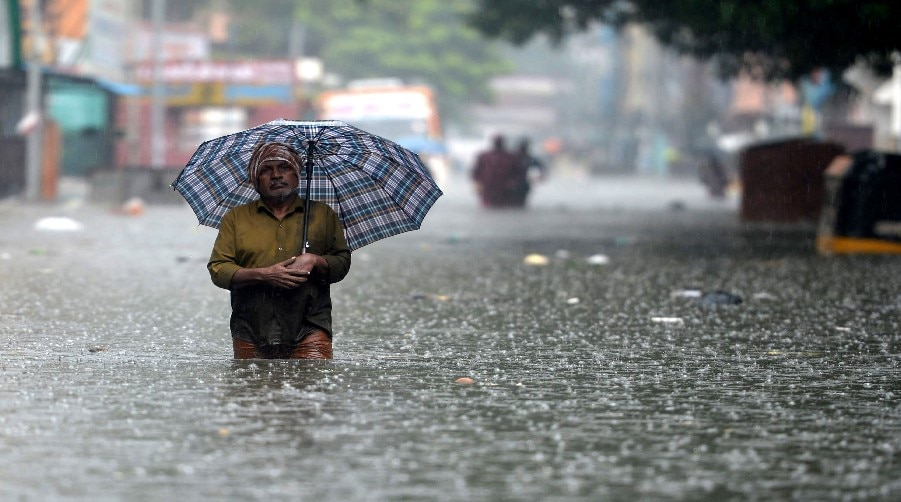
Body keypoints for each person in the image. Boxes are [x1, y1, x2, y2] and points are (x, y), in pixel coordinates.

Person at [207, 142, 352, 359]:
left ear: (297, 174)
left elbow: (341, 263)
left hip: (310, 325)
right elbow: (218, 269)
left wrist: (314, 260)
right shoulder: (236, 218)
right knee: (252, 390)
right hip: (251, 327)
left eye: (284, 167)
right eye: (266, 170)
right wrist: (264, 275)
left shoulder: (323, 215)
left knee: (312, 388)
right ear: (256, 180)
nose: (276, 175)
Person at [471, 134, 525, 208]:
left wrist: (513, 182)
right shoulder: (485, 156)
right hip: (489, 187)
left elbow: (519, 173)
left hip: (504, 188)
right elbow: (476, 171)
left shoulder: (511, 157)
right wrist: (477, 184)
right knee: (489, 206)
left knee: (502, 206)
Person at [513, 138, 546, 206]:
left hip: (523, 185)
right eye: (522, 148)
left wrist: (540, 177)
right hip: (513, 185)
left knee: (520, 204)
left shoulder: (529, 159)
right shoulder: (513, 158)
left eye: (524, 148)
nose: (522, 150)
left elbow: (541, 167)